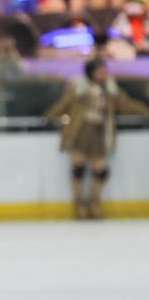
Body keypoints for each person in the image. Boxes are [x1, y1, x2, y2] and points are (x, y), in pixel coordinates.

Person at [45, 58, 149, 220]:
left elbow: (125, 104)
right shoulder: (79, 88)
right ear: (91, 72)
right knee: (78, 168)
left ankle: (94, 201)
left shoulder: (110, 90)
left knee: (101, 170)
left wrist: (144, 111)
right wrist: (49, 116)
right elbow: (64, 104)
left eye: (104, 71)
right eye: (100, 71)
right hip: (80, 130)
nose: (103, 74)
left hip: (100, 131)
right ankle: (79, 204)